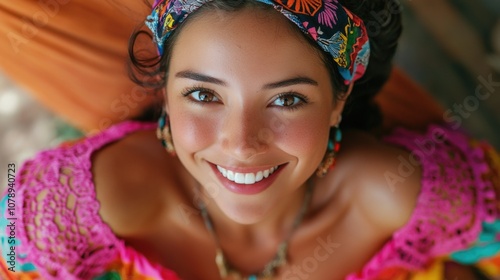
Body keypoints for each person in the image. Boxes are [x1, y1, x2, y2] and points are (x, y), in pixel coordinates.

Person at [1, 0, 499, 279]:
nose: (241, 145)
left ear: (339, 101)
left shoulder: (407, 193)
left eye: (286, 100)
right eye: (202, 94)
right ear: (164, 90)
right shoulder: (84, 200)